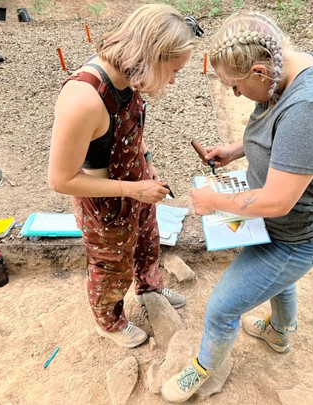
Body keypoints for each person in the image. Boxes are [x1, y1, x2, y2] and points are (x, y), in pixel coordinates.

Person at [162, 11, 313, 403]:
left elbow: (278, 201)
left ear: (259, 71)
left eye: (235, 86)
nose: (235, 94)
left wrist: (215, 201)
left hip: (295, 236)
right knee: (279, 282)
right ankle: (279, 333)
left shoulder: (309, 109)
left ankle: (202, 369)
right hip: (283, 226)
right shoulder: (289, 72)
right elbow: (279, 140)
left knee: (220, 308)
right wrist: (236, 150)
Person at [48, 4, 202, 349]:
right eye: (174, 70)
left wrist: (146, 162)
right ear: (151, 55)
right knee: (111, 267)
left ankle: (150, 287)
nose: (175, 79)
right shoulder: (84, 99)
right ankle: (110, 321)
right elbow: (60, 180)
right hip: (104, 203)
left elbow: (130, 129)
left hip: (136, 185)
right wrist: (133, 188)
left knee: (148, 243)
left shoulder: (129, 75)